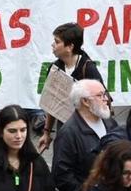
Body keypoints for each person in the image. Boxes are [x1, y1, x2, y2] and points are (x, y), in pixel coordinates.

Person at [53, 78, 118, 191]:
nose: (106, 99)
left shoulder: (110, 124)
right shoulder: (69, 133)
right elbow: (62, 176)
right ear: (85, 101)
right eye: (100, 95)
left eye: (105, 94)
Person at [37, 23, 104, 152]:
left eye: (57, 42)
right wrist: (47, 133)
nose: (53, 45)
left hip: (86, 136)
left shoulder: (88, 69)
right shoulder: (54, 69)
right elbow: (52, 103)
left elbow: (103, 102)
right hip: (64, 133)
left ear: (70, 47)